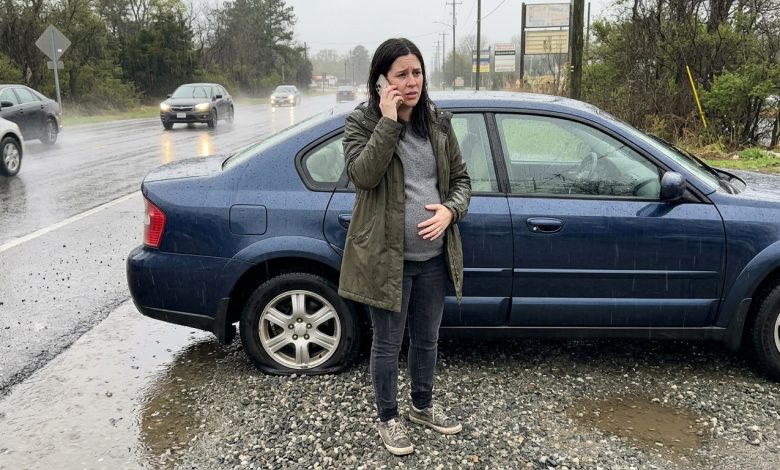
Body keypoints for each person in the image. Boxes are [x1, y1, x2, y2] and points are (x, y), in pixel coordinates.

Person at [339, 37, 471, 456]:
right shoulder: (362, 122)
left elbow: (463, 181)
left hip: (432, 259)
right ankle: (388, 418)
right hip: (385, 259)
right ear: (382, 81)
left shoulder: (437, 122)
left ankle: (422, 407)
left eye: (417, 72)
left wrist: (450, 210)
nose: (412, 81)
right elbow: (364, 175)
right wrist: (388, 121)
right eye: (401, 75)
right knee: (387, 343)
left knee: (427, 339)